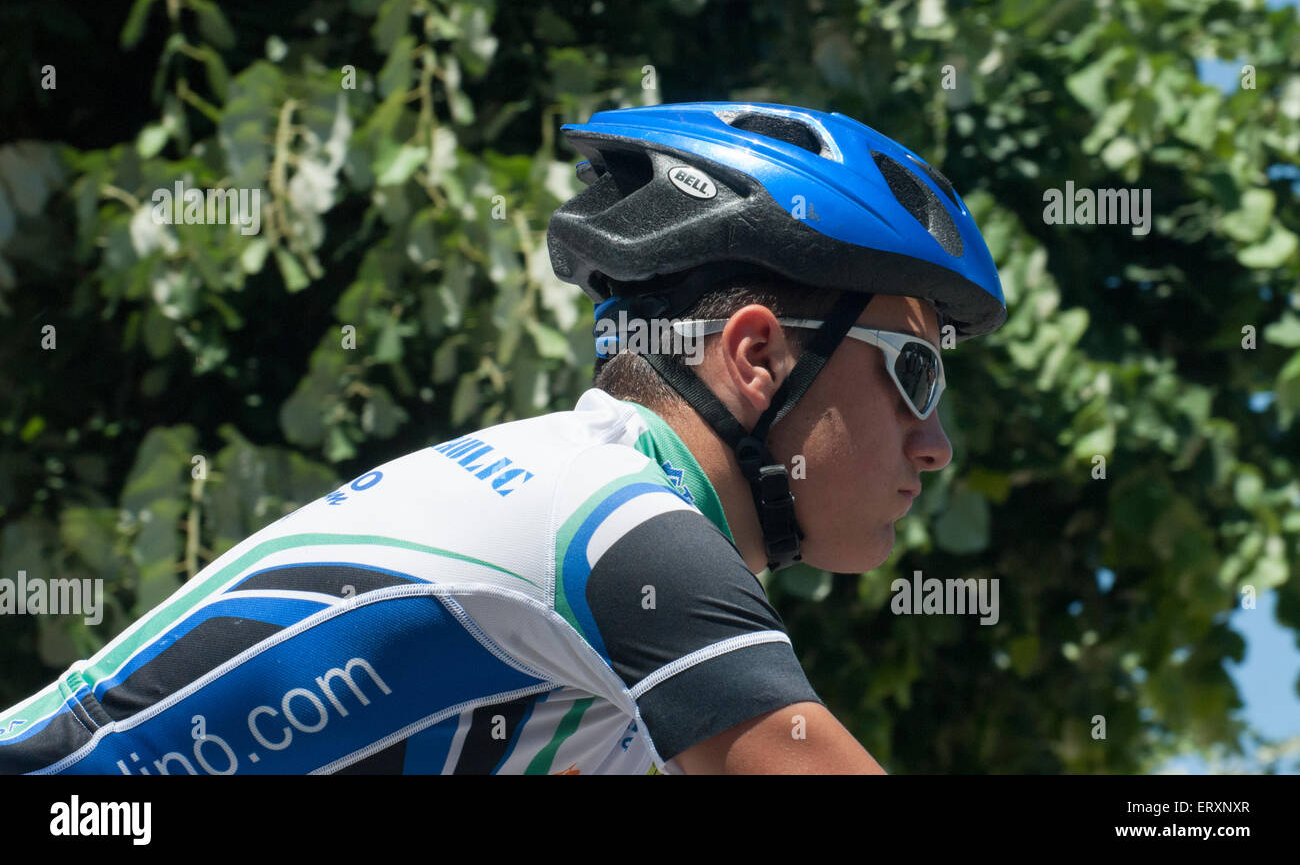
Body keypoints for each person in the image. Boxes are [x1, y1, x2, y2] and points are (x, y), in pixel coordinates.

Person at [0, 101, 1004, 775]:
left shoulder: (589, 534)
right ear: (755, 357)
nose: (934, 445)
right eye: (913, 373)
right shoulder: (615, 524)